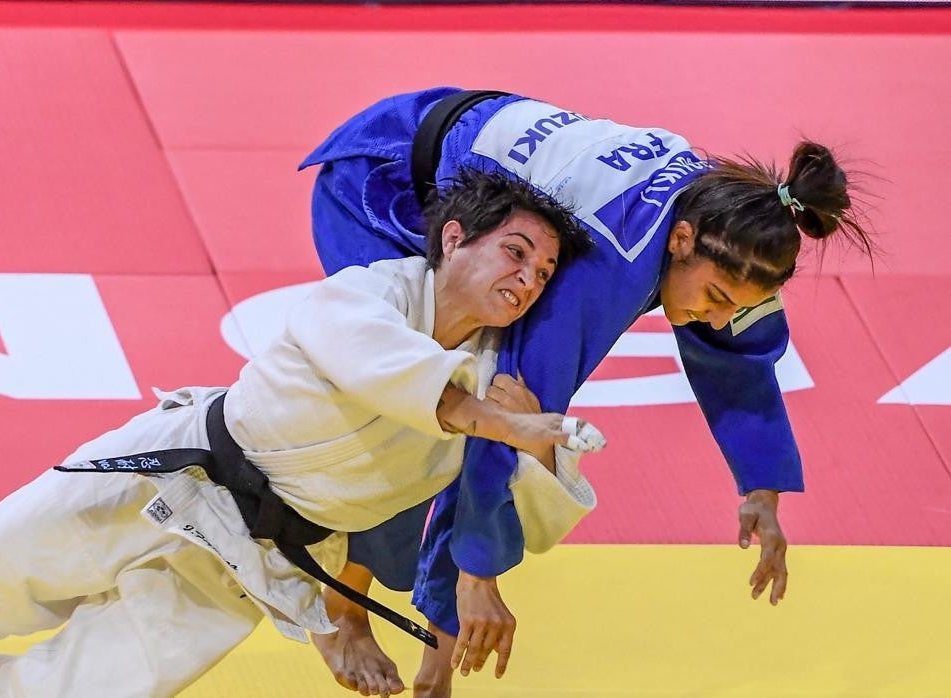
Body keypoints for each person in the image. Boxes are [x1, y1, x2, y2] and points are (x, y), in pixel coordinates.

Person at [0, 170, 604, 698]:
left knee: (116, 676)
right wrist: (496, 419)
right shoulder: (368, 294)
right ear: (454, 239)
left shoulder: (502, 377)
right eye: (516, 252)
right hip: (180, 467)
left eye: (543, 272)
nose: (528, 279)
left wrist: (532, 443)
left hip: (270, 553)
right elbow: (401, 378)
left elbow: (511, 502)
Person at [299, 87, 875, 697]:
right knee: (427, 400)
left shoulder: (738, 223)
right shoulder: (610, 269)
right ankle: (344, 605)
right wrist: (475, 576)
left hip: (473, 181)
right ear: (680, 240)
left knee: (481, 401)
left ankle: (432, 666)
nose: (715, 316)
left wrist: (763, 485)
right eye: (715, 298)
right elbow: (502, 423)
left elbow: (740, 357)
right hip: (381, 185)